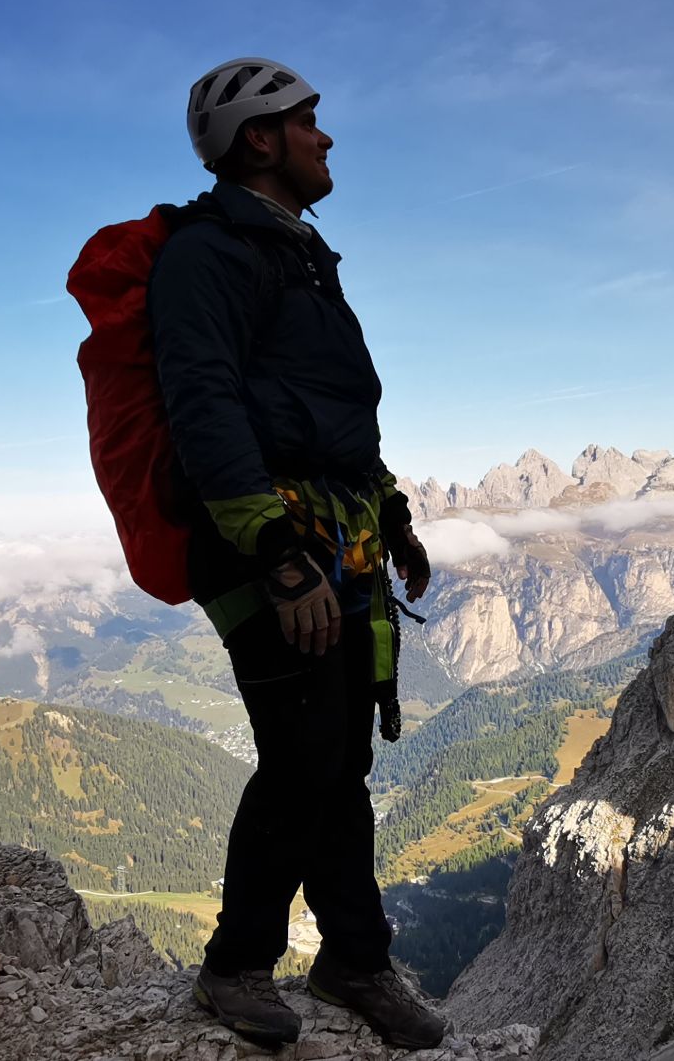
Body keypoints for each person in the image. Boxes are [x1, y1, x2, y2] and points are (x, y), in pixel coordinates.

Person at [149, 57, 446, 1049]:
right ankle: (237, 962)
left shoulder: (301, 255)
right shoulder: (209, 254)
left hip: (333, 540)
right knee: (304, 754)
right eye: (306, 120)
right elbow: (203, 403)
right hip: (268, 550)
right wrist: (277, 555)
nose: (326, 137)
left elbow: (336, 422)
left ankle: (354, 957)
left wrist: (392, 517)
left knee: (339, 758)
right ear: (259, 139)